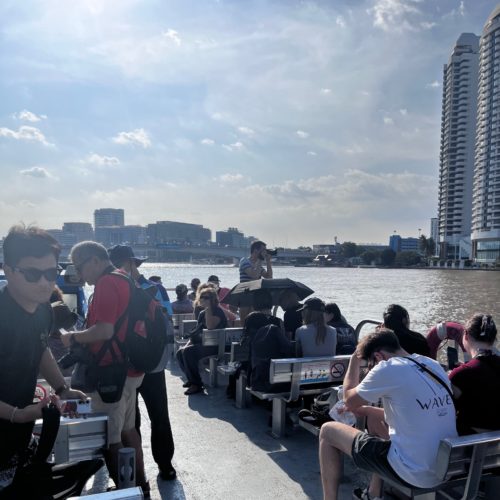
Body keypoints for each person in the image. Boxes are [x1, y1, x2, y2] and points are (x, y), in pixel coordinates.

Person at [319, 328, 457, 500]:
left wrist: (354, 360)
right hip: (444, 467)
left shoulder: (387, 367)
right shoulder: (431, 364)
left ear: (378, 356)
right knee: (375, 423)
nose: (371, 369)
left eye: (371, 365)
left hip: (413, 472)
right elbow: (414, 414)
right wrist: (366, 410)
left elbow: (348, 399)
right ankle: (373, 494)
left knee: (327, 431)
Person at [0, 225, 86, 492]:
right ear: (8, 270)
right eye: (32, 274)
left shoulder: (44, 310)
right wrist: (17, 415)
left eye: (50, 273)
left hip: (20, 434)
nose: (44, 282)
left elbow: (40, 349)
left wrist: (62, 388)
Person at [60, 241, 149, 494]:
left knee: (111, 439)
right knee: (128, 431)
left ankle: (124, 492)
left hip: (110, 374)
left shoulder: (106, 283)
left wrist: (72, 338)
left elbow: (105, 330)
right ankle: (140, 487)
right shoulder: (124, 278)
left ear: (95, 261)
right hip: (128, 370)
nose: (80, 275)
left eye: (80, 268)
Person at [108, 245, 176, 481]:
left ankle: (165, 463)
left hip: (150, 364)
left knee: (159, 415)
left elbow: (167, 319)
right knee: (130, 420)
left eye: (119, 264)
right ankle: (136, 470)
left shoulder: (154, 288)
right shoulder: (109, 289)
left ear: (130, 263)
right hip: (125, 366)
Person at [449, 313, 500, 435]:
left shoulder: (460, 375)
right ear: (494, 338)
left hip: (472, 442)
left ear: (466, 335)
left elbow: (446, 410)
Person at [176, 286, 228, 395]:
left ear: (213, 299)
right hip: (203, 344)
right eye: (202, 297)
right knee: (180, 352)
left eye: (206, 297)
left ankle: (196, 384)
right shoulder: (202, 313)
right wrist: (187, 344)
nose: (203, 299)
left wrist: (208, 309)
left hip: (216, 345)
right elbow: (196, 332)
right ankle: (192, 379)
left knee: (189, 352)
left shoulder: (218, 311)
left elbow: (210, 326)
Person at [238, 240, 273, 322]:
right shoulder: (244, 261)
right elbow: (254, 275)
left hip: (256, 295)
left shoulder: (258, 265)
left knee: (256, 320)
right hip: (245, 294)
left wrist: (268, 261)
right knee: (245, 321)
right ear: (255, 250)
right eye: (263, 250)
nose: (265, 252)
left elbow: (269, 277)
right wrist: (260, 259)